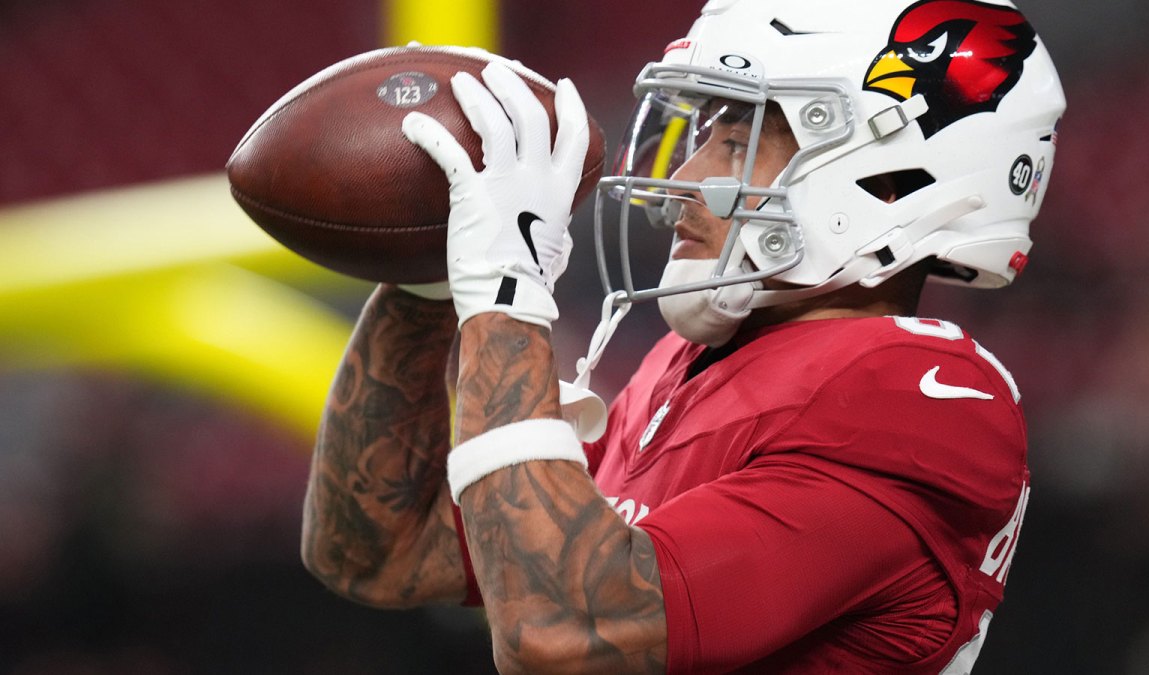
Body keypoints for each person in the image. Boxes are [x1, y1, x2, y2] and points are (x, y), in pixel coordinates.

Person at [300, 0, 1066, 671]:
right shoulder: (692, 364)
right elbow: (376, 551)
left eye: (740, 140)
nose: (691, 174)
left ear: (892, 181)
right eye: (706, 130)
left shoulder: (919, 396)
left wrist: (504, 291)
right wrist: (428, 280)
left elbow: (564, 631)